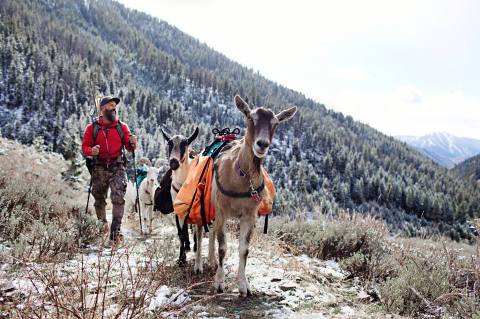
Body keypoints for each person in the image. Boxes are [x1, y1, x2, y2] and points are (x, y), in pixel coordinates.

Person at [81, 95, 137, 243]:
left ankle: (115, 233)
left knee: (118, 197)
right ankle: (102, 226)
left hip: (117, 165)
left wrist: (132, 143)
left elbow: (129, 148)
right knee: (99, 199)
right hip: (98, 166)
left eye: (115, 106)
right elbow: (84, 147)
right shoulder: (92, 128)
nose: (114, 108)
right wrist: (91, 151)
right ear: (102, 109)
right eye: (111, 106)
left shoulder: (122, 127)